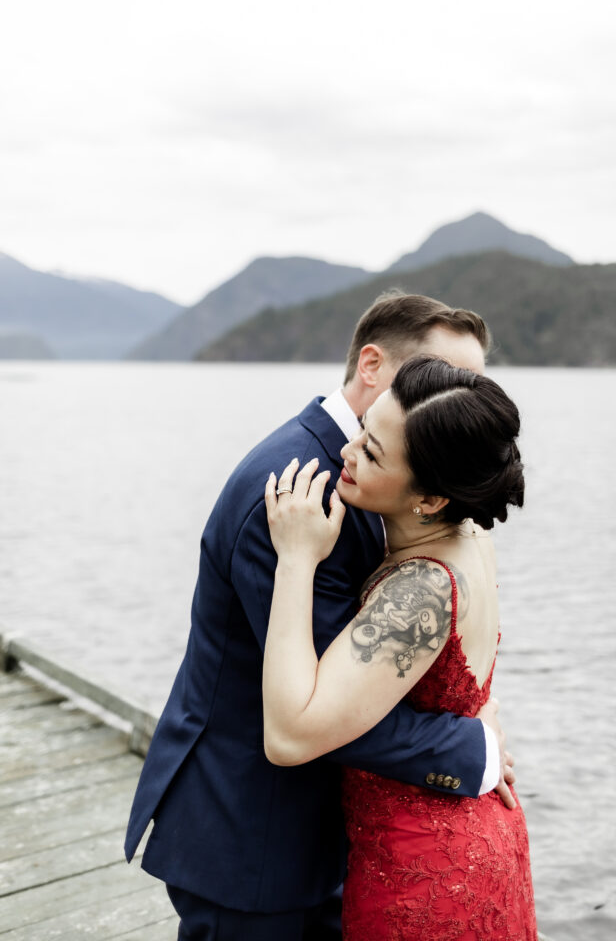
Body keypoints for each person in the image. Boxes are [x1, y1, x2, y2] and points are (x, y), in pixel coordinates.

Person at [124, 291, 515, 941]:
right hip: (253, 840)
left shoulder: (400, 495)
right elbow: (319, 709)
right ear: (373, 367)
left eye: (470, 385)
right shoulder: (292, 488)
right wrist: (468, 745)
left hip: (333, 837)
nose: (454, 398)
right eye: (441, 376)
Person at [263, 355, 536, 940]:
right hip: (482, 834)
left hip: (422, 870)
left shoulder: (422, 588)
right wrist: (481, 735)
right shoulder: (473, 534)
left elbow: (288, 737)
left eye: (373, 453)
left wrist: (295, 558)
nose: (346, 452)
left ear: (431, 499)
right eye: (364, 430)